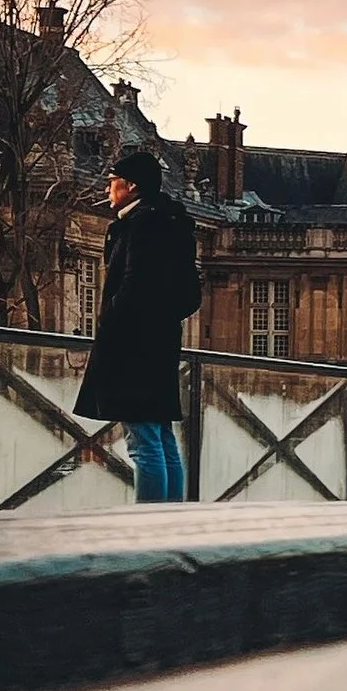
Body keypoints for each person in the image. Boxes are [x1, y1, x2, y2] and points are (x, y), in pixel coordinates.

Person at [74, 146, 201, 502]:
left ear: (130, 186)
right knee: (161, 436)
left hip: (133, 346)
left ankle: (150, 528)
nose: (106, 189)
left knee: (143, 441)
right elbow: (191, 296)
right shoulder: (172, 222)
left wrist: (114, 321)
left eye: (111, 182)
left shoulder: (140, 225)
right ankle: (172, 521)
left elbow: (132, 285)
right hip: (161, 343)